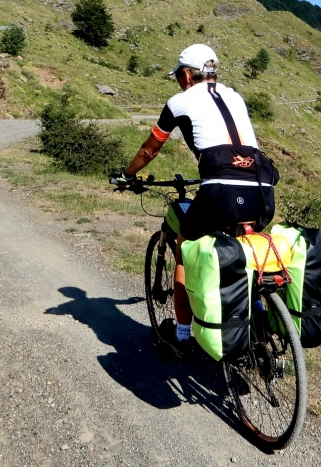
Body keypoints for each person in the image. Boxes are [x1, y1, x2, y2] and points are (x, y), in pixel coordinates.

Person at [113, 44, 277, 355]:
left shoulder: (179, 102)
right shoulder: (235, 96)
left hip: (220, 188)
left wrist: (127, 175)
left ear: (187, 75)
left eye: (178, 75)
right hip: (262, 185)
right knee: (247, 248)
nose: (178, 80)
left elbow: (150, 149)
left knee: (185, 245)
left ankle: (184, 335)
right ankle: (259, 322)